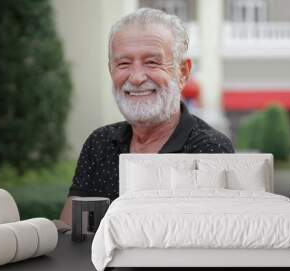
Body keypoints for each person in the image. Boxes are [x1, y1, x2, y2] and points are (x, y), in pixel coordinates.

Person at [59, 8, 235, 226]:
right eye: (123, 64)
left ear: (183, 72)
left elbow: (213, 244)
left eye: (152, 62)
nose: (136, 77)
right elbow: (69, 232)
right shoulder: (99, 143)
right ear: (111, 71)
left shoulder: (210, 150)